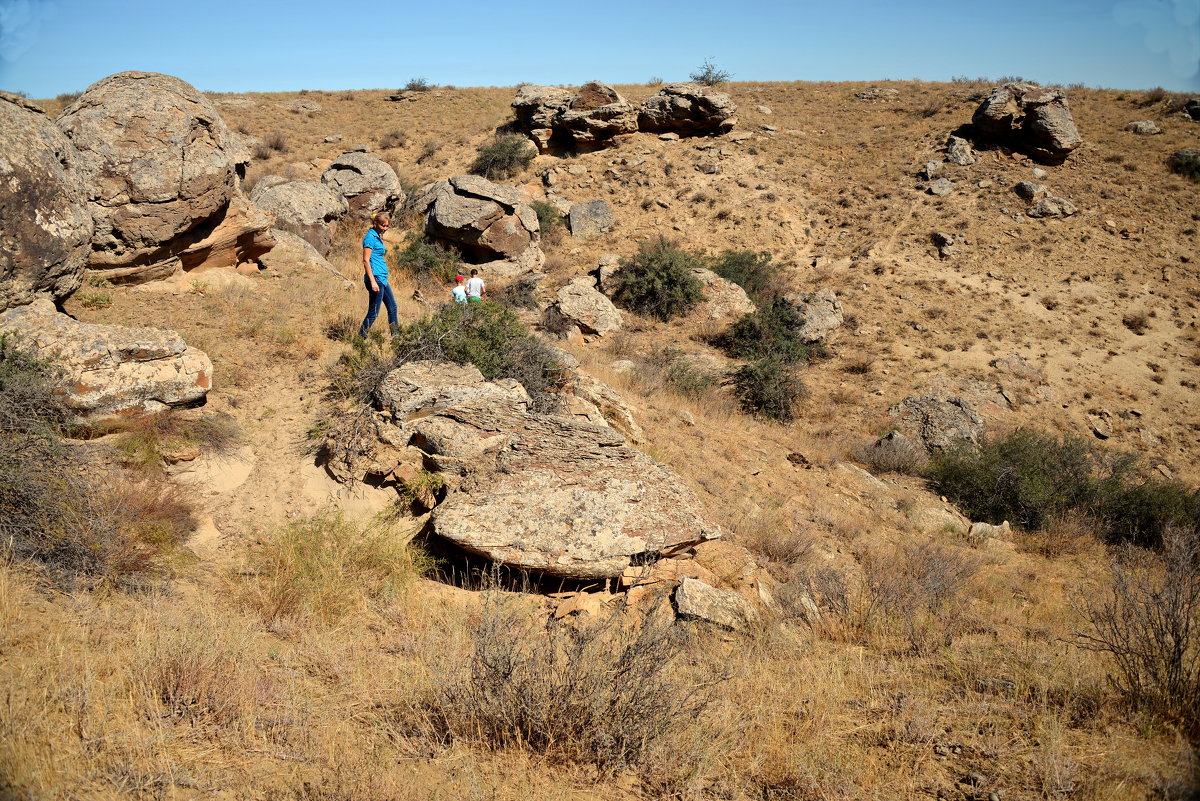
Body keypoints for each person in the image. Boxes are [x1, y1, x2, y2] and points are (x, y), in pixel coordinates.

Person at [358, 213, 398, 338]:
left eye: (387, 226)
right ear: (375, 223)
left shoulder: (377, 236)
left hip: (382, 278)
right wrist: (373, 281)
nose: (385, 228)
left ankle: (396, 338)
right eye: (383, 225)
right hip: (375, 279)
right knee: (374, 312)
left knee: (393, 307)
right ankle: (360, 338)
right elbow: (365, 260)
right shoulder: (370, 237)